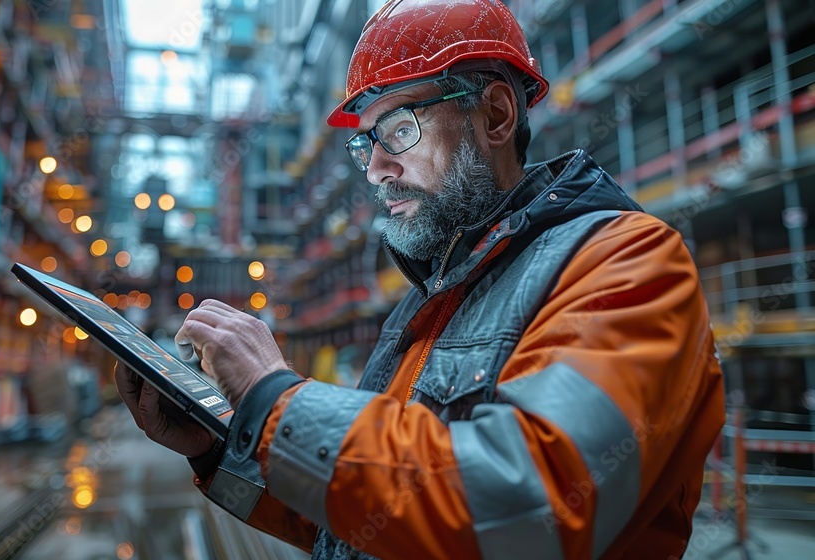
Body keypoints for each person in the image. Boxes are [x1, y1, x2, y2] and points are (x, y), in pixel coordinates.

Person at [116, 0, 725, 558]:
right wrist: (221, 443)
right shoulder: (429, 303)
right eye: (366, 144)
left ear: (494, 114)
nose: (376, 169)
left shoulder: (627, 261)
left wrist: (277, 402)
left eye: (399, 130)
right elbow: (366, 515)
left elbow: (532, 507)